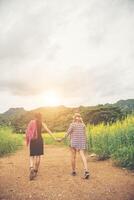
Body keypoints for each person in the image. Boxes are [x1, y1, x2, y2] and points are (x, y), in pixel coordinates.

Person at [26, 112, 56, 180]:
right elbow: (48, 130)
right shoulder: (42, 123)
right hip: (39, 140)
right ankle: (36, 170)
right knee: (38, 156)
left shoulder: (31, 122)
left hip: (33, 140)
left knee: (32, 155)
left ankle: (31, 167)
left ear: (35, 116)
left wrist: (28, 138)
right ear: (41, 117)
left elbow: (27, 131)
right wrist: (55, 138)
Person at [59, 113, 90, 179]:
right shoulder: (83, 125)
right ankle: (86, 171)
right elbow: (86, 135)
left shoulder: (72, 125)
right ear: (80, 118)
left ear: (74, 118)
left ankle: (73, 171)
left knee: (73, 156)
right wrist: (86, 143)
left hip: (74, 143)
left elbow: (67, 133)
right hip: (81, 142)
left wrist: (61, 139)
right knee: (83, 156)